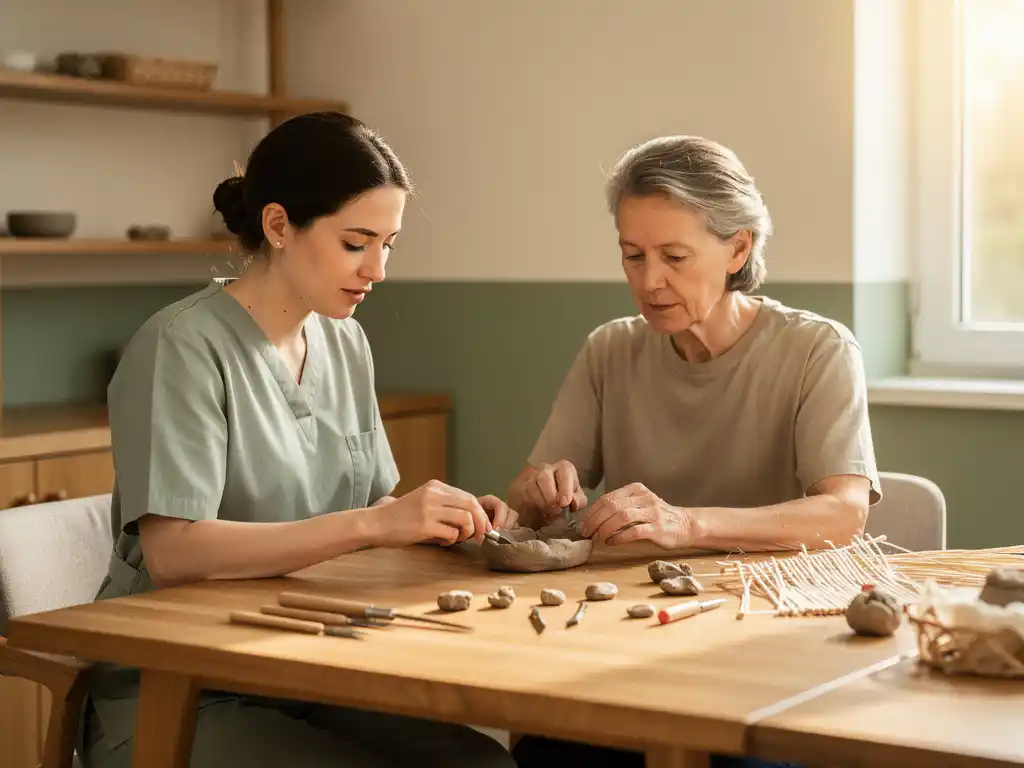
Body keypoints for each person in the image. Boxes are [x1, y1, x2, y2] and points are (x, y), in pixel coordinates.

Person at [81, 111, 518, 768]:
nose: (378, 269)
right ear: (279, 225)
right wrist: (375, 523)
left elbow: (372, 515)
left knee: (482, 763)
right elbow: (173, 552)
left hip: (310, 664)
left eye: (389, 244)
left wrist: (447, 525)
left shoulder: (345, 342)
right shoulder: (180, 348)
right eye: (356, 242)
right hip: (181, 688)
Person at [507, 135, 880, 768]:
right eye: (633, 256)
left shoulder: (818, 350)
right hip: (633, 640)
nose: (649, 281)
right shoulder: (610, 349)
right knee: (548, 751)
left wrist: (686, 525)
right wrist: (541, 492)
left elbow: (844, 516)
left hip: (764, 648)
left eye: (675, 256)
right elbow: (525, 498)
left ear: (739, 248)